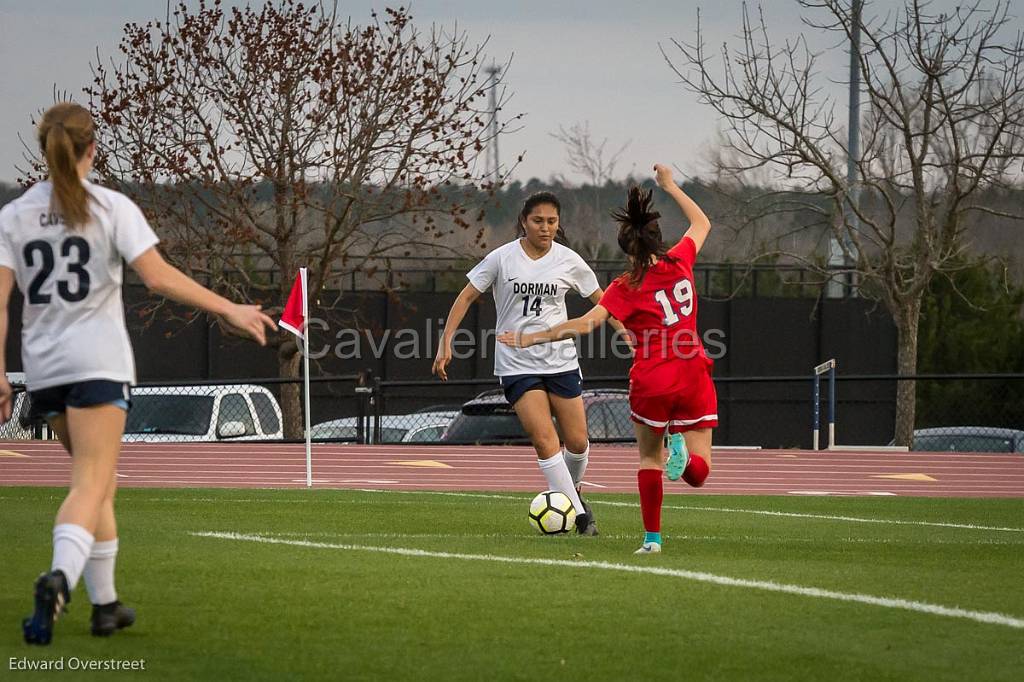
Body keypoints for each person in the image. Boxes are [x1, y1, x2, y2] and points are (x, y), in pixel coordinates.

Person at [0, 102, 276, 645]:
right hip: (99, 363)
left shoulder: (13, 216)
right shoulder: (110, 207)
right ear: (91, 149)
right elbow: (157, 277)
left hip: (46, 369)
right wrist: (230, 308)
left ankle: (106, 605)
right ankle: (59, 579)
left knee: (98, 483)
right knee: (90, 482)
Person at [498, 165, 716, 554]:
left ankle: (652, 540)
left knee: (649, 459)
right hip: (693, 367)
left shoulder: (624, 286)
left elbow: (582, 325)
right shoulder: (681, 260)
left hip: (652, 376)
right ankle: (683, 457)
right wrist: (669, 185)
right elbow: (702, 222)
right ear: (657, 239)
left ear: (626, 248)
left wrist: (532, 337)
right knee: (700, 472)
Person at [432, 192, 625, 535]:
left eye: (552, 221)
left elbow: (603, 300)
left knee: (578, 442)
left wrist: (625, 329)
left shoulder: (568, 260)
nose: (546, 227)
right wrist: (446, 342)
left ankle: (570, 493)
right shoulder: (502, 258)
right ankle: (581, 518)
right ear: (524, 221)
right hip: (516, 363)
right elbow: (466, 297)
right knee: (545, 440)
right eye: (538, 221)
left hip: (561, 360)